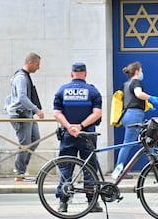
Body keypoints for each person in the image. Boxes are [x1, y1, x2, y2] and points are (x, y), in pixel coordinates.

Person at [53, 62, 103, 213]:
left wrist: (69, 127)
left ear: (71, 74)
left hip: (68, 134)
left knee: (66, 166)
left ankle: (63, 202)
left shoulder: (62, 90)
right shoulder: (93, 92)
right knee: (89, 167)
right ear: (86, 75)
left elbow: (56, 113)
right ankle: (92, 203)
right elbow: (97, 113)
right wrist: (80, 126)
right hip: (87, 134)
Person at [111, 61, 158, 180]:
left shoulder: (126, 84)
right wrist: (150, 98)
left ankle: (155, 167)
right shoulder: (136, 82)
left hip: (128, 115)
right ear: (137, 71)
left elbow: (130, 99)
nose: (142, 72)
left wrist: (147, 106)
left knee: (144, 139)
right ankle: (119, 171)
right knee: (131, 143)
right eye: (141, 70)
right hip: (135, 116)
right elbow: (138, 94)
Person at [5, 52, 44, 182]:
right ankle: (20, 172)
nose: (38, 68)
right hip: (21, 114)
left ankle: (22, 170)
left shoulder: (25, 76)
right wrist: (36, 110)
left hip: (27, 114)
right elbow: (22, 97)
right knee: (25, 143)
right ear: (30, 63)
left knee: (35, 139)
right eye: (37, 64)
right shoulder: (21, 77)